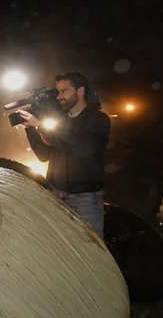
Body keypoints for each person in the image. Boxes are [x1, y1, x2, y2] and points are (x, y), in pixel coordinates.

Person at [18, 72, 110, 237]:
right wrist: (30, 129)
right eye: (58, 91)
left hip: (85, 199)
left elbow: (80, 147)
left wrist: (40, 125)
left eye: (64, 91)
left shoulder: (98, 119)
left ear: (80, 91)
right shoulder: (60, 122)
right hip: (56, 195)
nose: (59, 96)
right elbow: (44, 155)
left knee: (90, 249)